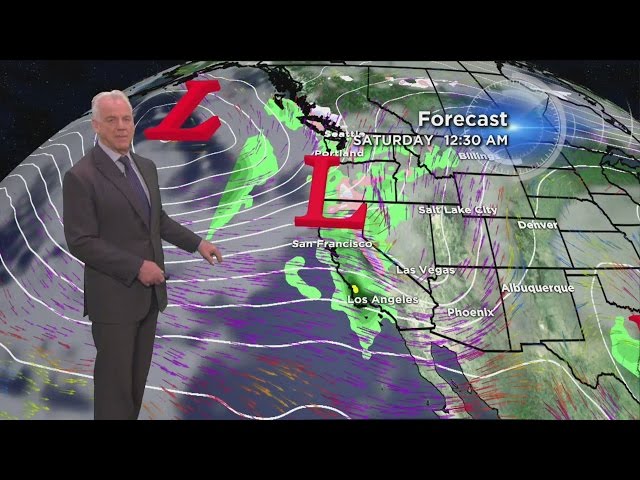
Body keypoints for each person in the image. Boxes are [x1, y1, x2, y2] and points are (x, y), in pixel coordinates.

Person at [63, 90, 223, 420]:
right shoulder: (81, 176)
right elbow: (81, 241)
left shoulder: (145, 167)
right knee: (114, 392)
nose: (121, 127)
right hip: (114, 302)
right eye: (111, 120)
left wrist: (197, 243)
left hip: (149, 298)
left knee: (135, 387)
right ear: (96, 126)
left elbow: (157, 220)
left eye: (126, 119)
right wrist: (137, 267)